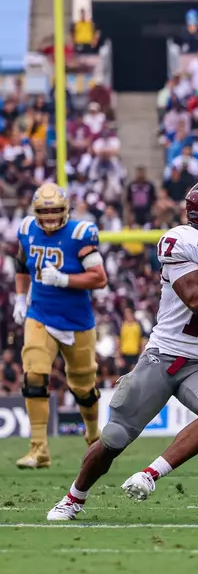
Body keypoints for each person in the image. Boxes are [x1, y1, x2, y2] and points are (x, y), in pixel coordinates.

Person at [46, 178, 198, 520]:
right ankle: (74, 497)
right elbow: (195, 299)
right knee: (113, 439)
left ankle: (150, 474)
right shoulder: (183, 240)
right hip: (163, 356)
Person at [13, 184, 108, 469]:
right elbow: (20, 264)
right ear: (35, 212)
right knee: (34, 376)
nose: (50, 217)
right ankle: (38, 449)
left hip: (76, 321)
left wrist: (65, 280)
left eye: (55, 210)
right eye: (45, 211)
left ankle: (93, 438)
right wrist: (20, 297)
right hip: (40, 315)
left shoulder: (80, 234)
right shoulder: (28, 228)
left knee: (83, 388)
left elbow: (99, 278)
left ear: (66, 210)